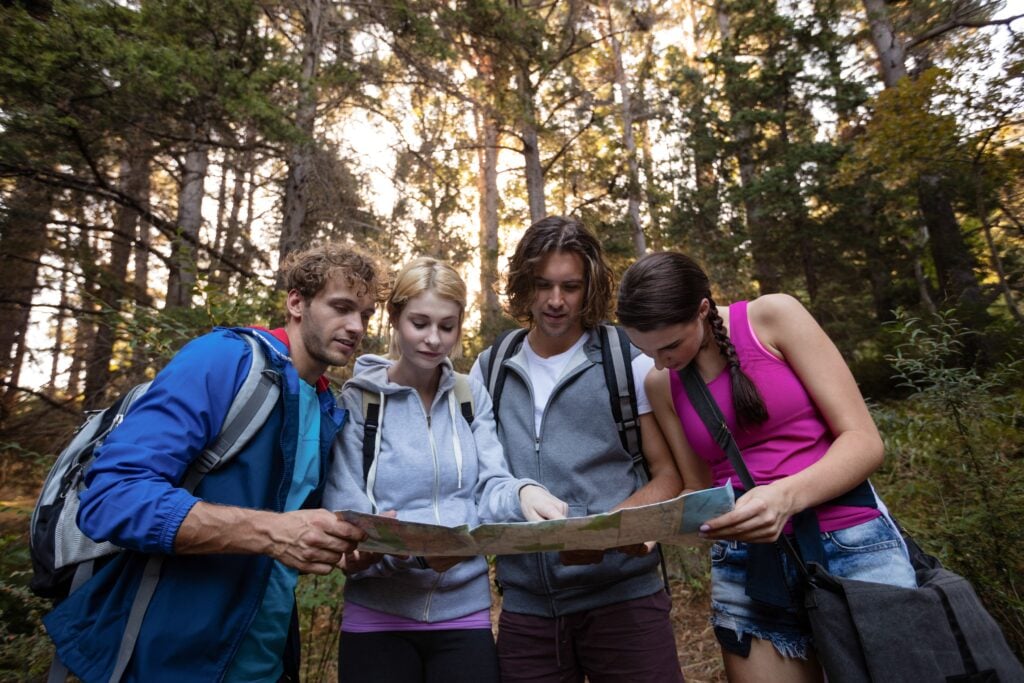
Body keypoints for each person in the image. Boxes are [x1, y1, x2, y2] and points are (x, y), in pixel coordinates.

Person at [43, 243, 386, 682]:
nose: (356, 327)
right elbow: (112, 497)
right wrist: (271, 533)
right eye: (341, 307)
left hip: (265, 661)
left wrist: (341, 550)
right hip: (165, 659)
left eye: (366, 315)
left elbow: (287, 539)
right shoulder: (225, 359)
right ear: (296, 302)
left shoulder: (326, 406)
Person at [615, 251, 918, 683]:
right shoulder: (660, 382)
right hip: (748, 566)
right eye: (645, 351)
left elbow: (864, 442)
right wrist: (650, 531)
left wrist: (783, 497)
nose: (660, 361)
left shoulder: (773, 317)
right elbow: (698, 487)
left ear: (703, 308)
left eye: (669, 346)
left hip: (850, 541)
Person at [323, 256, 568, 683]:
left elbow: (491, 484)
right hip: (377, 616)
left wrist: (523, 493)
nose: (433, 340)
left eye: (447, 326)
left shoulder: (470, 395)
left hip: (464, 615)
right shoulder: (360, 401)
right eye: (420, 323)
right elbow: (347, 506)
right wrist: (397, 552)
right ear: (396, 318)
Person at [471, 217, 686, 682]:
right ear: (524, 284)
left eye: (570, 286)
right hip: (528, 611)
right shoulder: (490, 367)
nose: (555, 300)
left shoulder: (626, 357)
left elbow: (668, 475)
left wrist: (607, 532)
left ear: (590, 287)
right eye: (543, 284)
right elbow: (479, 479)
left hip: (625, 601)